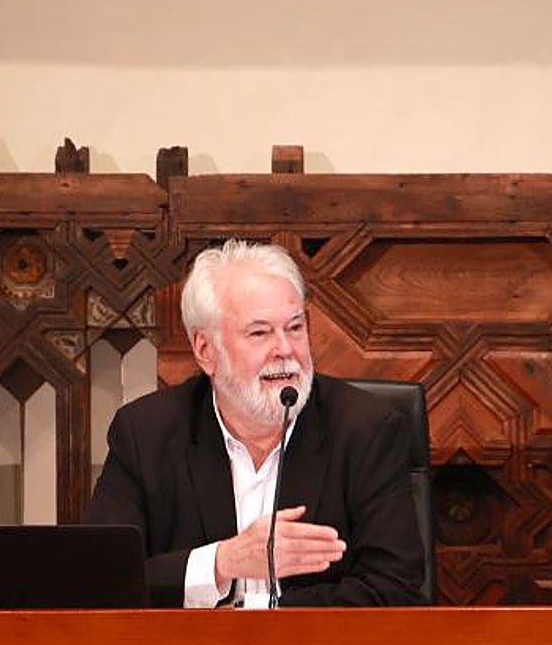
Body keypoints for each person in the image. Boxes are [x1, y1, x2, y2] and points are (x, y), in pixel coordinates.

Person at [85, 239, 425, 607]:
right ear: (205, 351)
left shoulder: (365, 430)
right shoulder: (145, 433)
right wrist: (221, 563)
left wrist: (257, 615)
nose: (285, 349)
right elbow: (101, 580)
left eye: (295, 327)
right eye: (259, 333)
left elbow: (395, 590)